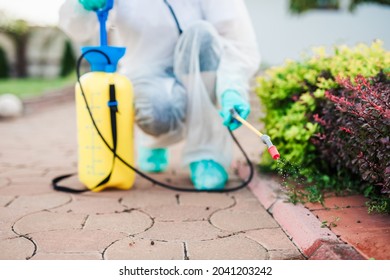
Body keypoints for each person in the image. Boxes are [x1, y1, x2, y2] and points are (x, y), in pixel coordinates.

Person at [59, 0, 260, 190]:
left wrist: (232, 87)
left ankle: (205, 154)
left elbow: (235, 39)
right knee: (160, 110)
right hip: (146, 73)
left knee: (203, 34)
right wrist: (81, 7)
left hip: (197, 69)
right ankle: (151, 140)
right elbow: (78, 28)